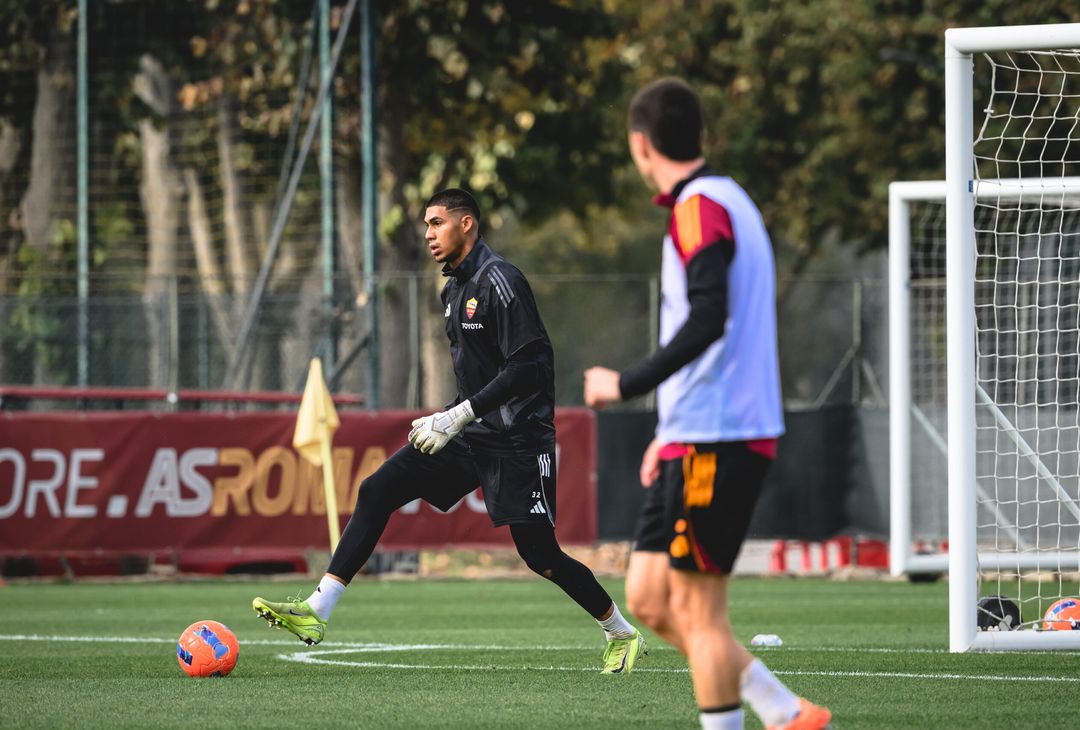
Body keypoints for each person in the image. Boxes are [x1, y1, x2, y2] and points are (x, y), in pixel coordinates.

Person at [254, 187, 646, 674]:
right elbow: (477, 376)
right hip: (471, 431)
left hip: (520, 440)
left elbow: (530, 367)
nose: (427, 233)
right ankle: (318, 611)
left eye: (436, 222)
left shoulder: (501, 280)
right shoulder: (453, 289)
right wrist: (453, 416)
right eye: (425, 224)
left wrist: (459, 414)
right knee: (377, 489)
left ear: (467, 224)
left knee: (541, 556)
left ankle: (621, 633)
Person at [584, 78, 832, 729]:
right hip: (693, 433)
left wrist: (626, 384)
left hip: (719, 437)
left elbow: (709, 316)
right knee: (648, 597)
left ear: (641, 145)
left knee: (699, 612)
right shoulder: (725, 200)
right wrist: (666, 431)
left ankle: (768, 717)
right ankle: (783, 712)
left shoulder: (698, 207)